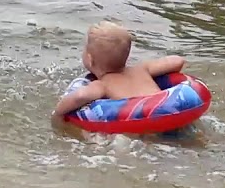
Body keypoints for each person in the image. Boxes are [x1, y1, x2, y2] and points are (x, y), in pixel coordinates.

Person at [51, 21, 186, 122]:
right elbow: (177, 61)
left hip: (140, 124)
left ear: (90, 59)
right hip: (171, 113)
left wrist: (58, 113)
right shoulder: (142, 70)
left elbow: (80, 96)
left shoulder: (102, 85)